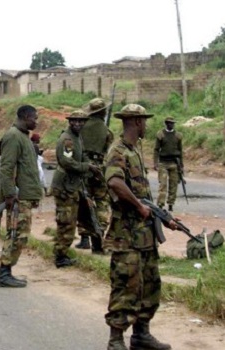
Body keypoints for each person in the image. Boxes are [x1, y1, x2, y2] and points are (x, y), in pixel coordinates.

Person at [103, 104, 178, 350]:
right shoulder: (118, 151)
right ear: (136, 122)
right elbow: (114, 182)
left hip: (144, 235)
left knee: (150, 284)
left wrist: (164, 218)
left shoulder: (134, 151)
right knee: (126, 286)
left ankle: (141, 335)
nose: (146, 125)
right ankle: (116, 340)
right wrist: (138, 206)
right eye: (143, 121)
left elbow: (143, 194)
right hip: (126, 235)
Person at [0, 105, 42, 288]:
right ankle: (4, 273)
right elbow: (6, 168)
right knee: (16, 235)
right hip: (17, 197)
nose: (36, 122)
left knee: (20, 235)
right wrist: (9, 194)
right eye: (34, 118)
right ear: (25, 116)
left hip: (24, 196)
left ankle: (6, 271)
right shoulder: (13, 136)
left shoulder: (23, 137)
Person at [51, 110, 101, 268]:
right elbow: (67, 162)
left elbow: (82, 155)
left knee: (79, 218)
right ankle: (60, 256)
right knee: (66, 221)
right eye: (75, 121)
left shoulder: (77, 137)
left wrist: (91, 165)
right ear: (69, 122)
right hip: (65, 185)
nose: (78, 123)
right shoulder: (67, 140)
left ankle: (63, 252)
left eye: (81, 121)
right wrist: (87, 167)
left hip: (74, 184)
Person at [76, 97, 114, 253]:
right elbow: (106, 149)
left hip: (83, 168)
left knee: (84, 202)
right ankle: (99, 234)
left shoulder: (80, 127)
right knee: (102, 201)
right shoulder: (107, 131)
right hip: (99, 169)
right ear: (104, 112)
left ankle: (84, 237)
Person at [153, 117, 183, 212]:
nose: (171, 125)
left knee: (174, 184)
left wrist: (181, 165)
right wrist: (155, 162)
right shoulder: (160, 135)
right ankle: (161, 204)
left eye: (172, 123)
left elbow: (180, 150)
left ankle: (171, 204)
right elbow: (156, 149)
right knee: (163, 184)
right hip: (163, 163)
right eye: (169, 123)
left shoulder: (178, 135)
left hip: (174, 163)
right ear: (166, 123)